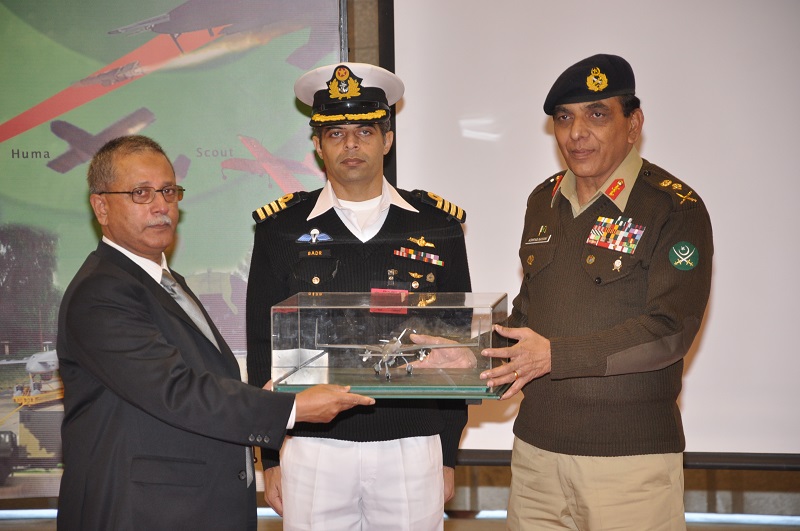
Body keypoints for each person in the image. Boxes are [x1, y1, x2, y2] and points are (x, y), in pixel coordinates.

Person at [56, 135, 374, 531]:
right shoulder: (102, 291)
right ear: (101, 206)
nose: (161, 206)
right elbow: (175, 391)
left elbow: (205, 381)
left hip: (187, 508)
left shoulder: (163, 283)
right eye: (141, 193)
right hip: (142, 513)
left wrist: (271, 394)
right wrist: (291, 409)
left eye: (168, 191)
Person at [480, 54, 713, 530]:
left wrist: (556, 357)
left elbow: (670, 331)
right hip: (535, 459)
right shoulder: (542, 201)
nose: (576, 132)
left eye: (597, 114)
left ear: (634, 123)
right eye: (564, 118)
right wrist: (467, 355)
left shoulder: (673, 206)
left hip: (627, 465)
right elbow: (528, 318)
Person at [246, 62, 473, 530]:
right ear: (317, 145)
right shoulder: (281, 229)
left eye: (365, 131)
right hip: (311, 445)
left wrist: (448, 453)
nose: (351, 144)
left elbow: (457, 345)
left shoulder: (437, 224)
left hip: (413, 445)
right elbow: (262, 347)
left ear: (387, 139)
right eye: (336, 133)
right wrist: (270, 458)